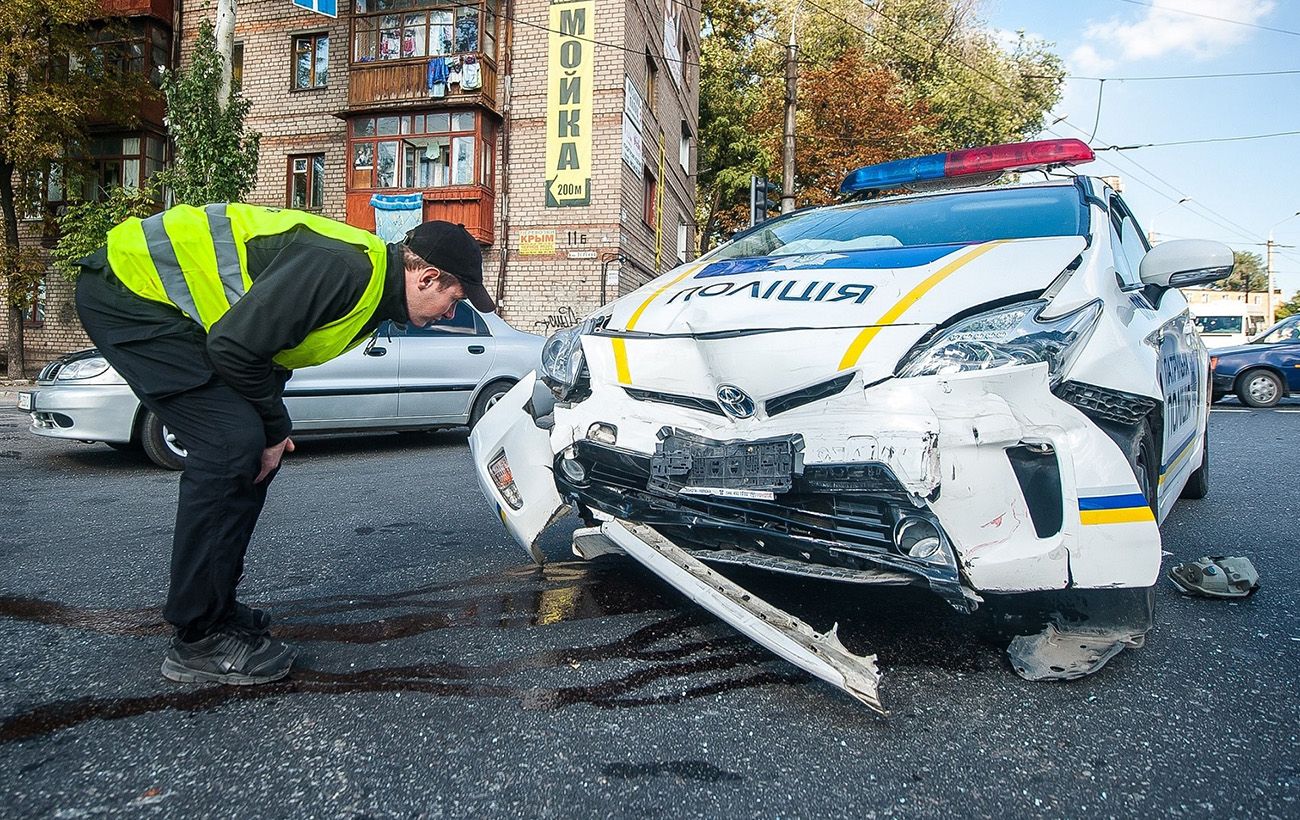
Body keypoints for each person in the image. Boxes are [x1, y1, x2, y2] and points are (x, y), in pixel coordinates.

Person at [74, 204, 495, 685]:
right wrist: (274, 428)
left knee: (247, 448)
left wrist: (269, 432)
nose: (451, 312)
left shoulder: (374, 298)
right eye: (455, 299)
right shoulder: (347, 269)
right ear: (427, 278)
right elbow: (233, 348)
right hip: (129, 288)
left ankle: (216, 607)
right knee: (231, 445)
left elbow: (270, 352)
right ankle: (199, 637)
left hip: (166, 308)